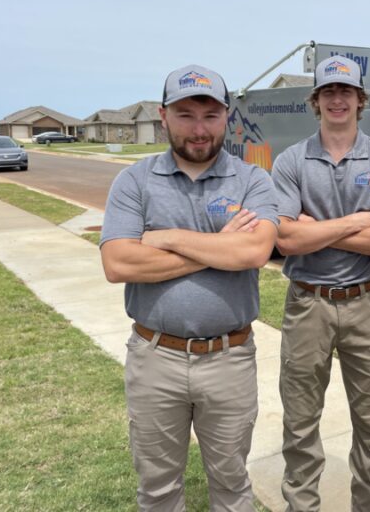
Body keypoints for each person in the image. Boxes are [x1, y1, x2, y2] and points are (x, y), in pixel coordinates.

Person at [100, 64, 278, 511]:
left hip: (229, 359)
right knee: (158, 489)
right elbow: (118, 261)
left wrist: (166, 238)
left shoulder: (253, 180)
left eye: (210, 115)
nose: (199, 129)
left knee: (233, 484)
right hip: (154, 357)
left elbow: (254, 252)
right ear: (163, 116)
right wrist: (220, 245)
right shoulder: (134, 181)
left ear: (227, 117)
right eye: (185, 115)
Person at [270, 55, 370, 512]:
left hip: (366, 303)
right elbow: (286, 238)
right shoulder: (291, 161)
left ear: (360, 100)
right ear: (316, 100)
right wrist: (355, 221)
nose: (337, 99)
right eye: (329, 92)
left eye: (346, 91)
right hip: (308, 303)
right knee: (301, 421)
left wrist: (318, 228)